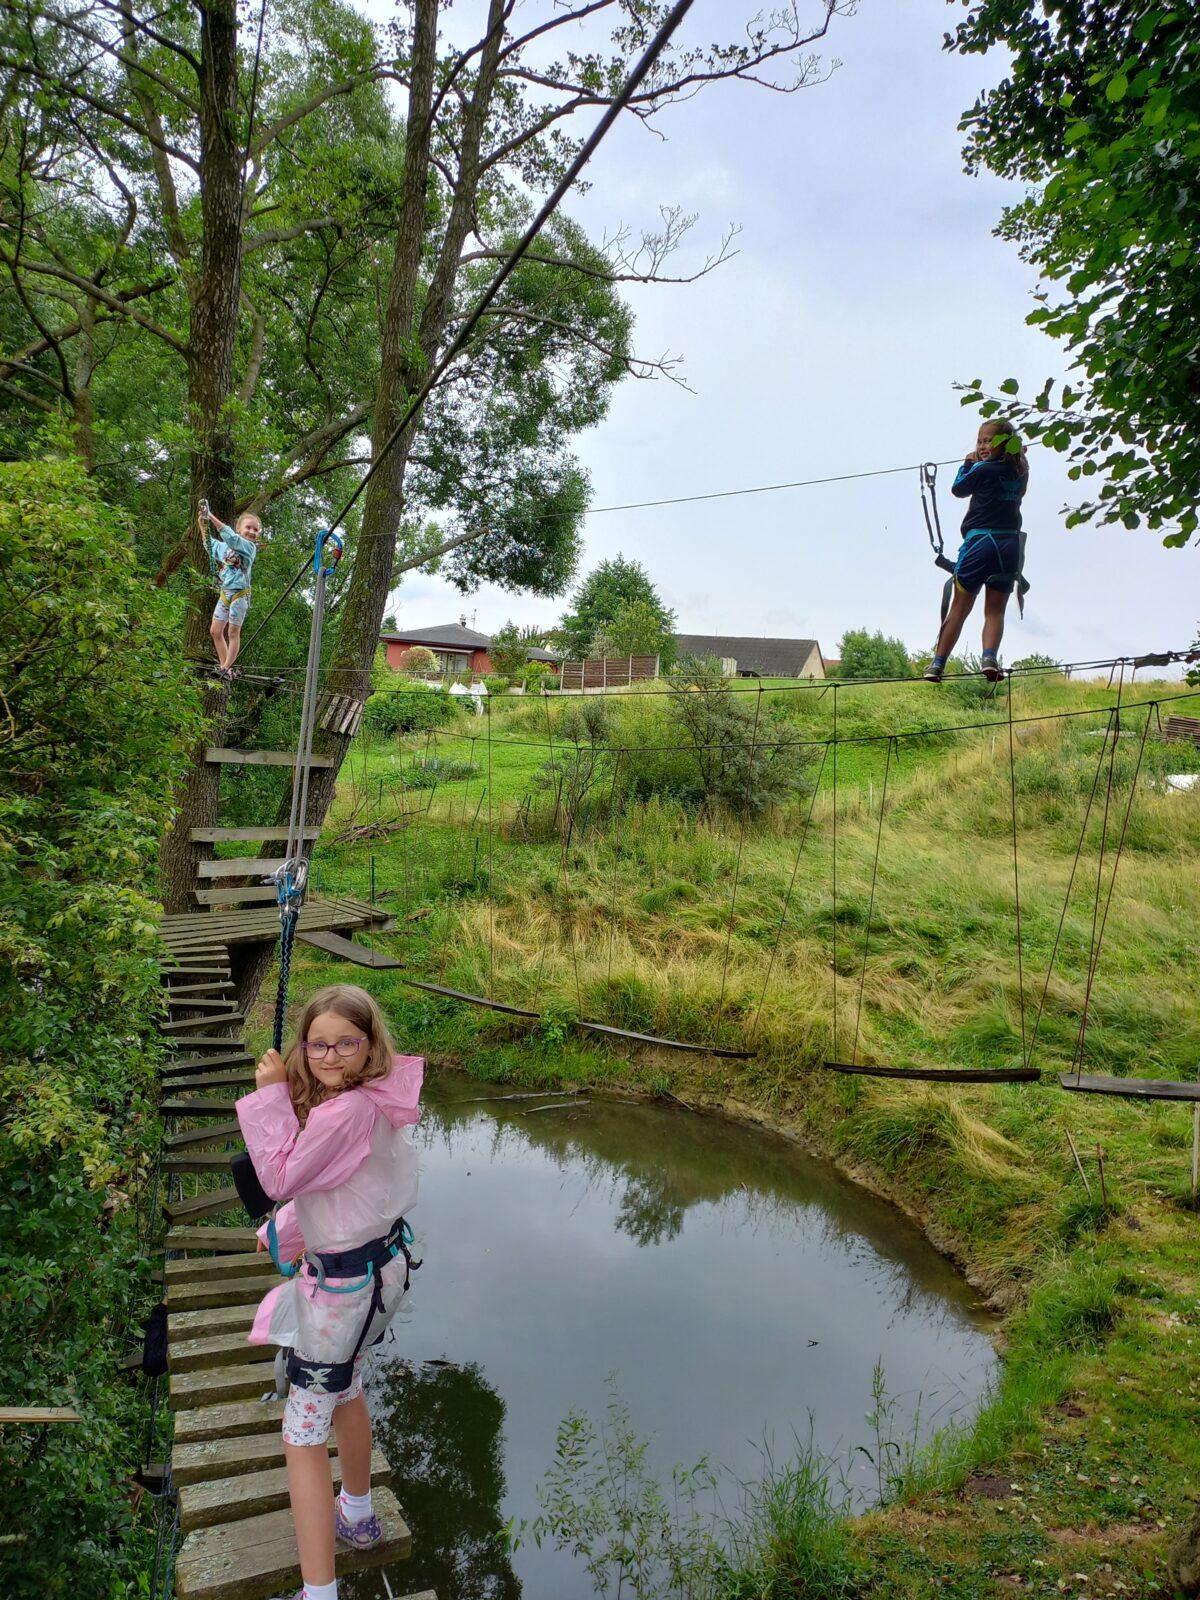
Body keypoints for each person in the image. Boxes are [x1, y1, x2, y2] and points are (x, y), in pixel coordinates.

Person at [236, 984, 423, 1600]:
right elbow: (347, 1189)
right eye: (318, 1044)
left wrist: (270, 1098)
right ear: (304, 1046)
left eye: (347, 1042)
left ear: (370, 1045)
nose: (330, 1055)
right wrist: (284, 1230)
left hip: (342, 1295)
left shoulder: (344, 1110)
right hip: (382, 1274)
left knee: (302, 1432)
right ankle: (360, 1514)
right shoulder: (377, 1100)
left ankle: (320, 1593)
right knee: (350, 1388)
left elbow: (283, 1175)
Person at [924, 420, 1029, 684]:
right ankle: (989, 658)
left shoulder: (983, 469)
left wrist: (967, 464)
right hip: (1010, 547)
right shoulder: (1020, 471)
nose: (982, 446)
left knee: (959, 609)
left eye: (988, 441)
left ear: (1003, 443)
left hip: (981, 542)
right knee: (995, 610)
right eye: (980, 441)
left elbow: (958, 488)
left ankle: (937, 665)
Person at [203, 503, 261, 679]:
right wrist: (201, 524)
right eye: (248, 527)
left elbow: (232, 539)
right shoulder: (225, 548)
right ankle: (225, 667)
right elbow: (209, 545)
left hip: (240, 595)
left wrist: (210, 516)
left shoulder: (249, 548)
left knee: (233, 632)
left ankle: (226, 667)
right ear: (238, 527)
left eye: (256, 530)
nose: (252, 532)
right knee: (215, 631)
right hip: (225, 593)